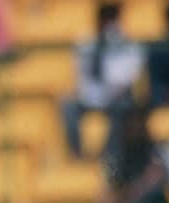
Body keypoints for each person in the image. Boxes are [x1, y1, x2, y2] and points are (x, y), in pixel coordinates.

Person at [61, 2, 144, 158]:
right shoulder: (86, 42)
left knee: (123, 109)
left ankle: (110, 155)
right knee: (68, 105)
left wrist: (110, 91)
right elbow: (81, 75)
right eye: (103, 19)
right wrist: (88, 94)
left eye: (110, 20)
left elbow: (127, 78)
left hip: (116, 97)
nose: (106, 24)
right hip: (89, 96)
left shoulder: (128, 45)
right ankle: (77, 154)